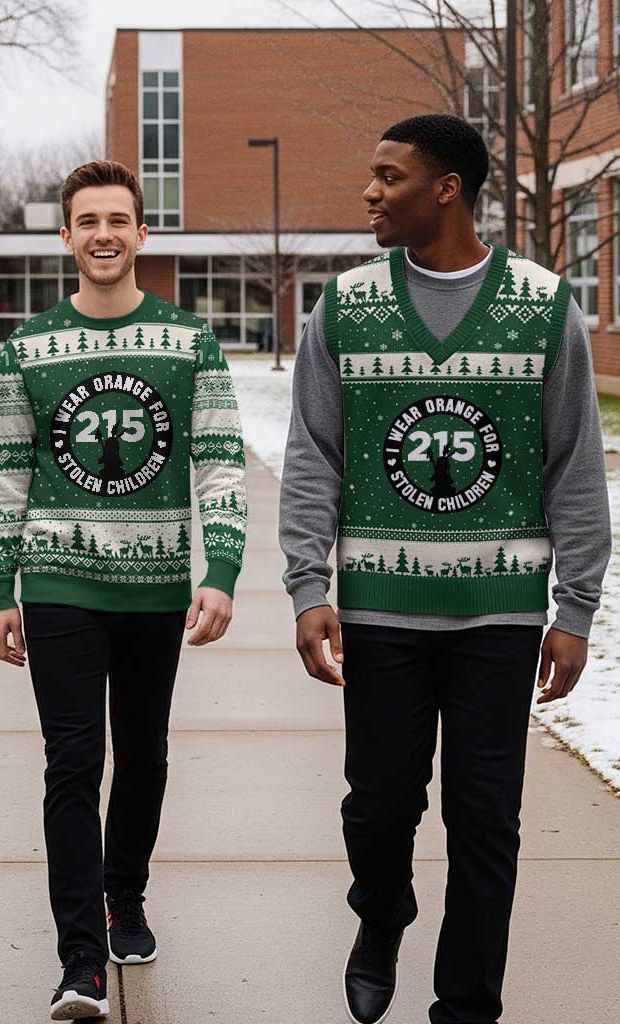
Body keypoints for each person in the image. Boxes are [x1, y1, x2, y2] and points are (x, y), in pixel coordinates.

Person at [280, 113, 611, 1024]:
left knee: (485, 823)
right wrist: (309, 586)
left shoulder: (542, 305)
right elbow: (314, 454)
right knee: (378, 809)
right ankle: (380, 914)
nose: (370, 192)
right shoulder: (346, 305)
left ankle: (467, 1005)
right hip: (382, 612)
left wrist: (576, 608)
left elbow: (573, 463)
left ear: (447, 189)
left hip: (500, 617)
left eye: (389, 176)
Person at [0, 160, 248, 1021]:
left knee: (145, 753)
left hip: (157, 587)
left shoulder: (189, 341)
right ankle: (80, 961)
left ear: (142, 233)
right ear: (65, 236)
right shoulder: (29, 348)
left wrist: (223, 569)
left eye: (118, 220)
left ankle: (123, 895)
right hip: (59, 579)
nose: (103, 234)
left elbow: (219, 460)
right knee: (73, 760)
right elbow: (3, 475)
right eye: (87, 220)